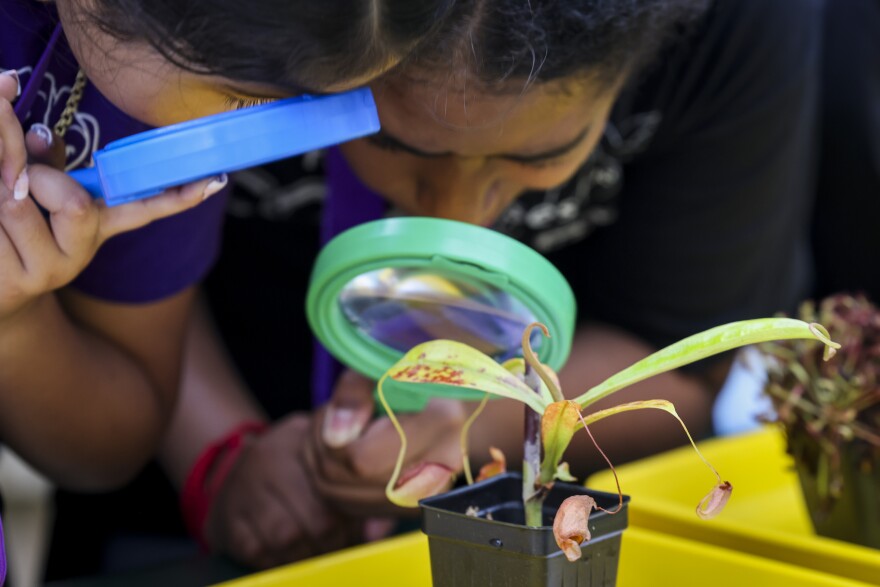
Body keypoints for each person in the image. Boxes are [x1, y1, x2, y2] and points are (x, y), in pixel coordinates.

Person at [47, 0, 823, 578]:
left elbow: (685, 363)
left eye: (533, 159)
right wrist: (220, 460)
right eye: (388, 142)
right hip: (156, 459)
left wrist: (466, 418)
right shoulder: (226, 33)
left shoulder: (739, 27)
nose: (451, 216)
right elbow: (117, 283)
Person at [0, 0, 455, 579]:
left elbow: (107, 442)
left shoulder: (160, 91)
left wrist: (14, 320)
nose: (262, 136)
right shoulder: (164, 65)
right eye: (249, 103)